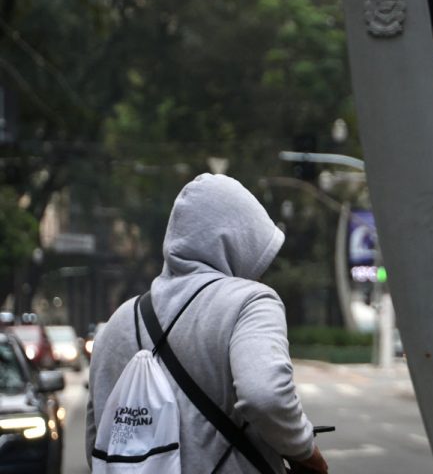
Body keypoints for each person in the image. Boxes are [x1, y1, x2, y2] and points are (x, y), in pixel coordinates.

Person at [87, 174, 329, 474]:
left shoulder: (116, 325)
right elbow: (265, 397)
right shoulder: (250, 302)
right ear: (239, 243)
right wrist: (306, 451)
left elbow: (98, 441)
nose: (261, 271)